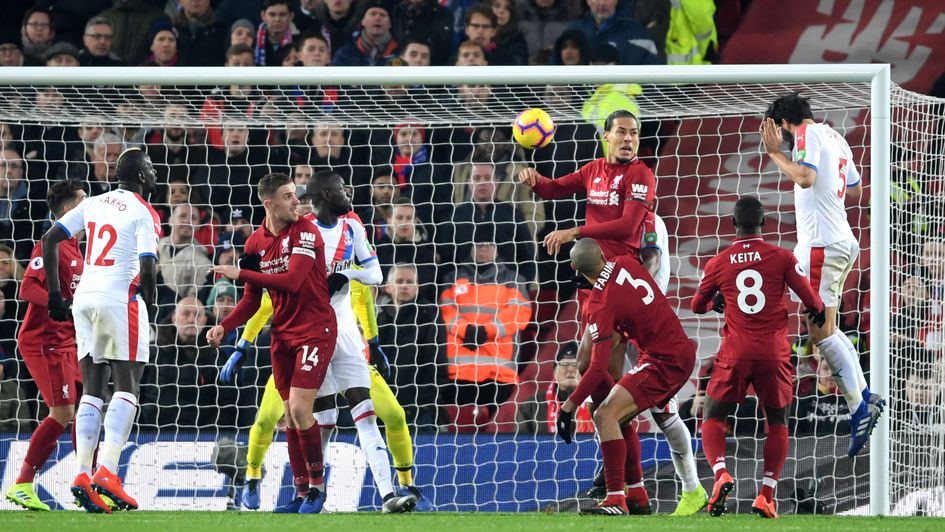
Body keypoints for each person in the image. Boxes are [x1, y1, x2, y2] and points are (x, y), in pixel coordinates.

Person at [219, 176, 426, 513]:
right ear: (327, 195)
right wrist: (241, 342)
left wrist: (350, 279)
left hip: (342, 334)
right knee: (300, 418)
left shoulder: (352, 225)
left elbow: (373, 278)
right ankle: (289, 487)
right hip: (302, 335)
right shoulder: (297, 231)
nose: (350, 193)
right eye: (343, 189)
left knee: (369, 412)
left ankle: (390, 493)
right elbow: (267, 298)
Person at [760, 93, 884, 456]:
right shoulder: (836, 136)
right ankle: (865, 395)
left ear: (784, 124)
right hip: (840, 240)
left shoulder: (806, 134)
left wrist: (774, 154)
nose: (779, 138)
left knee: (819, 333)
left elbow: (805, 177)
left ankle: (858, 408)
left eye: (778, 131)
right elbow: (856, 188)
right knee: (826, 328)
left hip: (822, 245)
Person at [207, 172, 336, 514]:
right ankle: (300, 492)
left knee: (299, 409)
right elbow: (252, 299)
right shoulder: (254, 244)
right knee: (288, 418)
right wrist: (225, 326)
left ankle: (317, 488)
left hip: (315, 329)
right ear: (270, 204)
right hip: (283, 334)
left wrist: (240, 273)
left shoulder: (306, 232)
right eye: (288, 196)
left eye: (296, 194)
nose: (297, 201)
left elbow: (292, 281)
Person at [691, 196, 826, 519]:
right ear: (764, 223)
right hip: (773, 353)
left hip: (736, 352)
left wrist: (717, 302)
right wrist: (820, 311)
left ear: (732, 224)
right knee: (777, 422)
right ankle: (766, 495)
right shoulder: (782, 257)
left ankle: (721, 473)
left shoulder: (718, 263)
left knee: (713, 416)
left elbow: (697, 306)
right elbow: (811, 300)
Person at [41, 148, 161, 513]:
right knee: (128, 385)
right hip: (120, 297)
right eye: (151, 168)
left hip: (84, 298)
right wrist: (150, 301)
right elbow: (147, 266)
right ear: (141, 176)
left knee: (92, 390)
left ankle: (82, 473)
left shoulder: (93, 203)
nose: (155, 174)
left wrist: (55, 296)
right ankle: (107, 471)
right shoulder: (144, 211)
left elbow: (50, 239)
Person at [559, 238, 695, 516]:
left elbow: (598, 368)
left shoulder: (600, 305)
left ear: (574, 268)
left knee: (605, 415)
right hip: (671, 351)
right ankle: (637, 495)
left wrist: (568, 406)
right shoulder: (625, 262)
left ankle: (615, 499)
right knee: (616, 414)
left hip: (664, 362)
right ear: (603, 254)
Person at [4, 180, 86, 511]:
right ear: (68, 210)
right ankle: (22, 484)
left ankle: (87, 478)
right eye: (82, 201)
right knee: (63, 412)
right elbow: (27, 288)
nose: (89, 206)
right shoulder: (51, 243)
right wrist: (57, 304)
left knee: (87, 408)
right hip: (43, 341)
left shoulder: (77, 248)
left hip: (67, 341)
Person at [544, 342, 594, 435]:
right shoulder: (533, 404)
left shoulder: (596, 401)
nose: (570, 369)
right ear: (554, 372)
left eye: (575, 364)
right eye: (564, 364)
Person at [332, 2, 399, 67]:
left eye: (383, 15)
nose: (377, 18)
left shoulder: (399, 53)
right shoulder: (345, 54)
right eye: (373, 14)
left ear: (390, 24)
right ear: (363, 21)